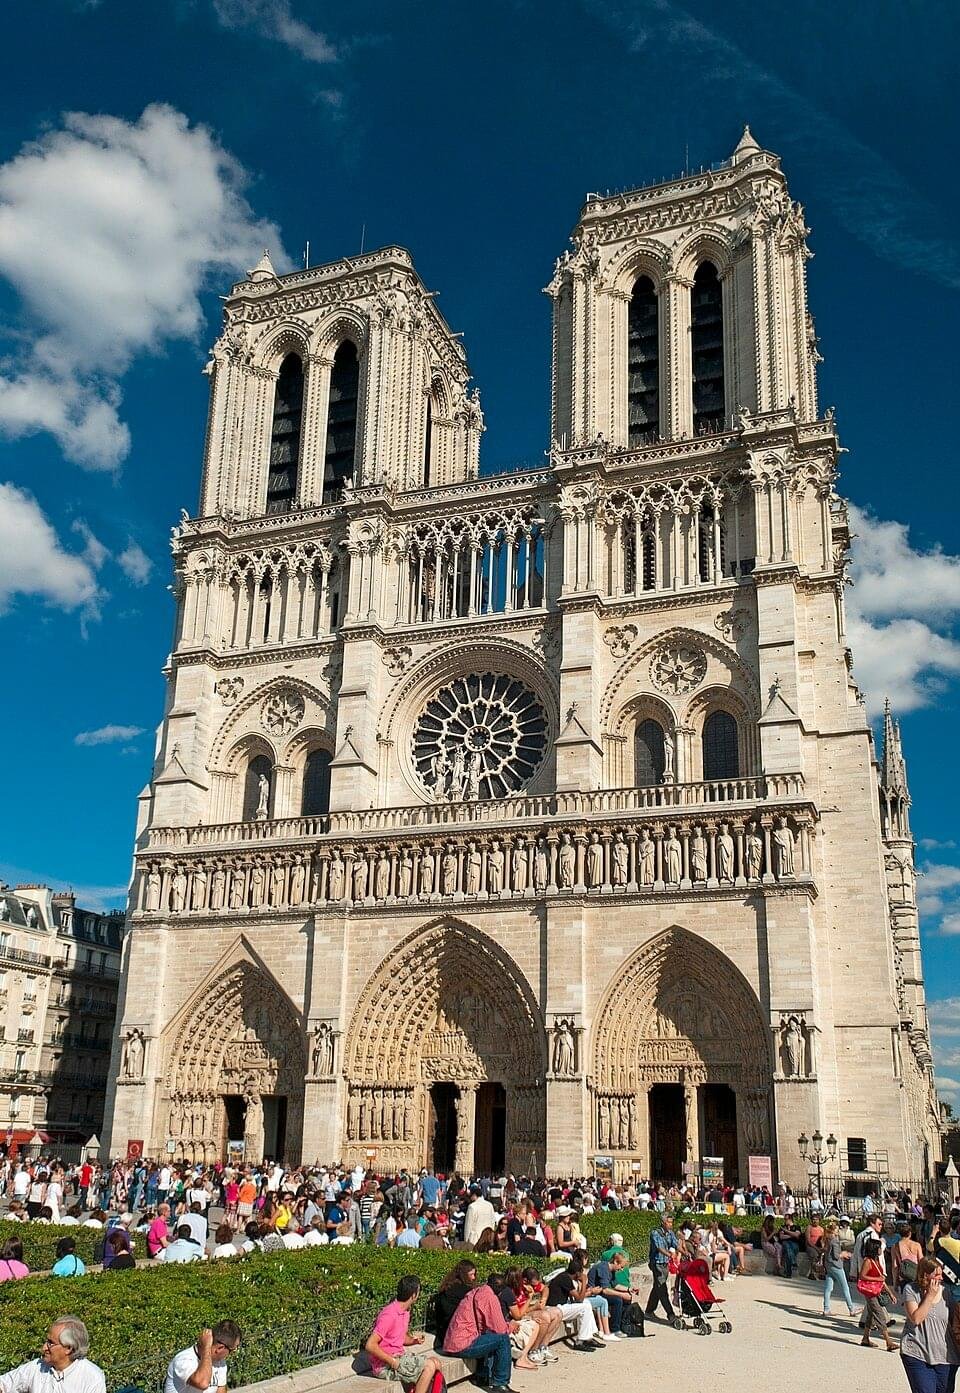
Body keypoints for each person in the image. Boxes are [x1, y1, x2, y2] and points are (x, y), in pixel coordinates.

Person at [366, 1276, 441, 1393]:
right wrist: (392, 1361)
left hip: (399, 1357)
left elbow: (399, 1338)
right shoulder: (389, 1314)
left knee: (436, 1362)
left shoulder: (405, 1311)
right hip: (385, 1365)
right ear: (413, 1295)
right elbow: (370, 1345)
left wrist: (413, 1341)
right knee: (429, 1366)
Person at [444, 1273, 517, 1390]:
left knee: (491, 1337)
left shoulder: (477, 1291)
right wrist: (510, 1326)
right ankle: (500, 1383)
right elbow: (501, 1330)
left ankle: (483, 1376)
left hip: (453, 1342)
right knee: (502, 1339)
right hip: (463, 1345)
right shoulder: (490, 1297)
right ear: (500, 1290)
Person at [900, 1258, 960, 1393]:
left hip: (946, 1357)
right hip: (916, 1353)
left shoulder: (946, 1293)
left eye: (941, 1274)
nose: (941, 1278)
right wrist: (929, 1297)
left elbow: (955, 1322)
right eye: (937, 1274)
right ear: (926, 1274)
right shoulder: (911, 1290)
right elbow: (916, 1319)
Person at [0, 1318, 105, 1393]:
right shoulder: (37, 1367)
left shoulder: (92, 1378)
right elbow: (4, 1383)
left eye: (50, 1343)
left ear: (68, 1348)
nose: (44, 1347)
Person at [164, 1323, 243, 1393]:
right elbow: (202, 1383)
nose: (231, 1354)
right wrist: (207, 1347)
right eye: (232, 1350)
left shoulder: (220, 1363)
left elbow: (221, 1390)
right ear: (220, 1348)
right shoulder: (184, 1359)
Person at [545, 1257, 601, 1350]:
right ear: (578, 1273)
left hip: (561, 1306)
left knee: (587, 1303)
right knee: (584, 1307)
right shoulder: (565, 1279)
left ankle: (589, 1337)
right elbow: (579, 1299)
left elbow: (577, 1298)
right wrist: (583, 1282)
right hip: (555, 1309)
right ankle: (580, 1341)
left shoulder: (565, 1276)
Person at [855, 1238, 898, 1352]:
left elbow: (882, 1280)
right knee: (879, 1314)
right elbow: (862, 1276)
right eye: (879, 1247)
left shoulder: (876, 1260)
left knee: (871, 1314)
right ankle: (888, 1341)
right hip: (870, 1291)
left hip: (875, 1290)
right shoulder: (868, 1261)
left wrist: (890, 1294)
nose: (881, 1249)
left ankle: (865, 1338)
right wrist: (876, 1278)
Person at [433, 1260, 477, 1348]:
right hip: (455, 1332)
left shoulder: (447, 1285)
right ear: (464, 1275)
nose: (474, 1278)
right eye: (471, 1274)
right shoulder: (465, 1291)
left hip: (443, 1330)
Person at [821, 1219, 860, 1317]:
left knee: (828, 1288)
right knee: (845, 1287)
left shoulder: (826, 1239)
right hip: (836, 1266)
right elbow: (836, 1255)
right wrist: (844, 1254)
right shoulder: (835, 1241)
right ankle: (851, 1309)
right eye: (837, 1229)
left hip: (828, 1265)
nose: (838, 1231)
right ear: (834, 1231)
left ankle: (826, 1308)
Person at [647, 1214, 678, 1320]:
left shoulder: (670, 1233)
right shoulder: (655, 1233)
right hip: (657, 1263)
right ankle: (670, 1314)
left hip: (665, 1263)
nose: (671, 1224)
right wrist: (670, 1254)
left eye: (671, 1222)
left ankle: (649, 1311)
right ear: (663, 1222)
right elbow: (659, 1247)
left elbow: (676, 1244)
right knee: (662, 1288)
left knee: (657, 1287)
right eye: (668, 1222)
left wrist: (685, 1253)